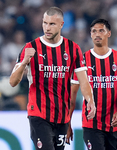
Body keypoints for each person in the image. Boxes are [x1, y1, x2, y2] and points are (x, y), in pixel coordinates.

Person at [9, 7, 96, 150]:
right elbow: (13, 82)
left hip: (62, 116)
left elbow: (84, 80)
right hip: (38, 114)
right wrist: (24, 62)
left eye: (52, 24)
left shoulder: (73, 48)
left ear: (62, 24)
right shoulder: (31, 47)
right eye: (45, 23)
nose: (47, 28)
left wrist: (90, 100)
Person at [67, 19, 117, 150]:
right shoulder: (82, 60)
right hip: (91, 123)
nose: (97, 34)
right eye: (94, 31)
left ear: (109, 33)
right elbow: (72, 93)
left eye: (101, 30)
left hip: (114, 122)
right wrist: (67, 122)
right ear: (90, 34)